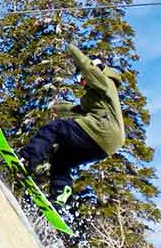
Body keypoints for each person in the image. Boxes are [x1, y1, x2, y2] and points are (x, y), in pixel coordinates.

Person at [18, 44, 125, 208]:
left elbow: (88, 67)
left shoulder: (104, 81)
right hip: (105, 145)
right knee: (62, 158)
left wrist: (70, 46)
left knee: (54, 128)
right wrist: (56, 109)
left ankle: (27, 160)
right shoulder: (96, 95)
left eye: (81, 78)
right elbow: (78, 111)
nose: (81, 83)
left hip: (102, 130)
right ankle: (61, 192)